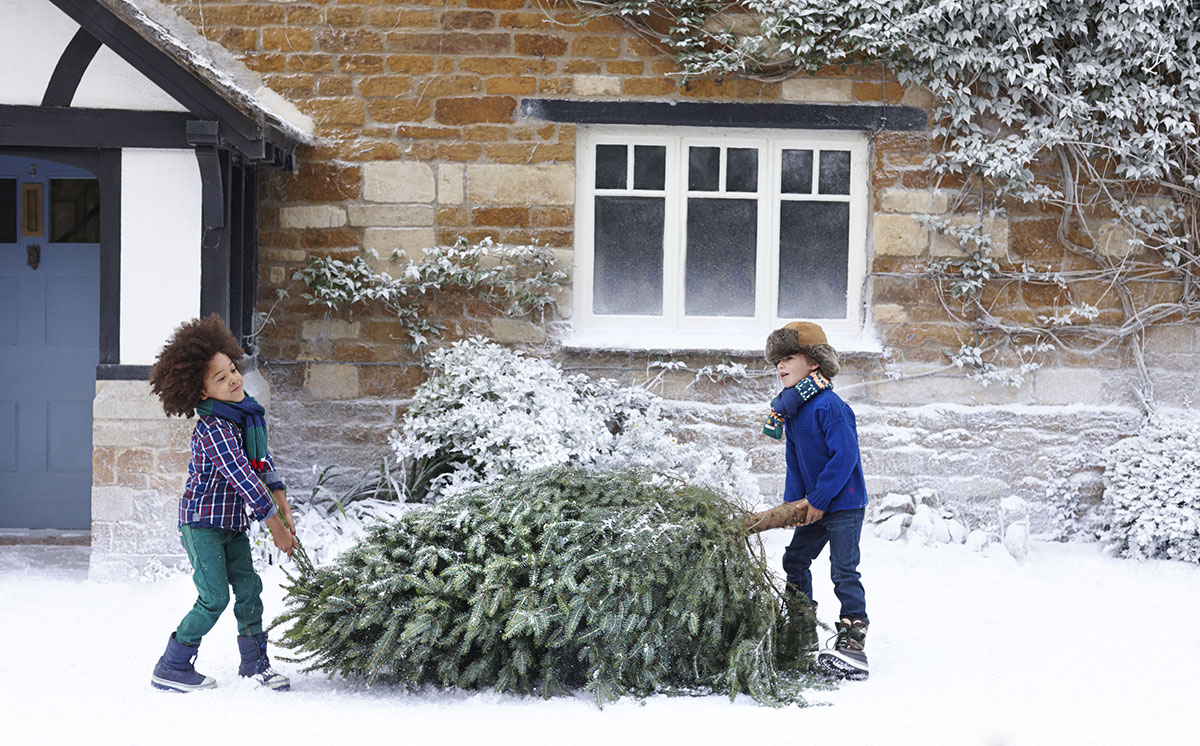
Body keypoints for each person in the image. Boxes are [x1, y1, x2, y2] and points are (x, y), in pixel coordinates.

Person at [146, 315, 297, 693]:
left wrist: (283, 503)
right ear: (200, 393)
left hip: (231, 525)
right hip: (202, 525)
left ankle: (255, 664)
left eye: (232, 369)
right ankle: (173, 664)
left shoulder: (244, 417)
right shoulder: (213, 428)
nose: (233, 379)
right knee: (213, 597)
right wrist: (275, 525)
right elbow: (242, 475)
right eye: (220, 377)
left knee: (249, 589)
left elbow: (262, 462)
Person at [764, 321, 870, 681]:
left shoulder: (830, 407)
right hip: (814, 504)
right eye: (777, 360)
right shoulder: (793, 410)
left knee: (843, 571)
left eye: (788, 357)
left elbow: (845, 458)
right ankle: (801, 629)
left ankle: (853, 644)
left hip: (844, 504)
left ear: (813, 362)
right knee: (795, 559)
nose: (780, 366)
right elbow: (795, 463)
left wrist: (820, 499)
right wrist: (794, 505)